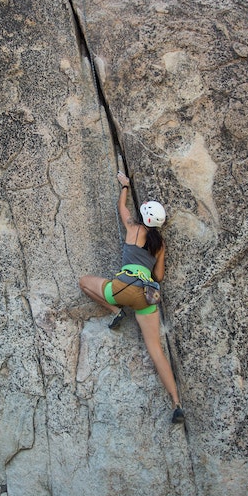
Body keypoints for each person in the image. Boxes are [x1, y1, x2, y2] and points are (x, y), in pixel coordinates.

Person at [79, 171, 185, 424]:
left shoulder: (133, 228)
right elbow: (159, 275)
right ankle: (176, 403)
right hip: (147, 297)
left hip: (122, 287)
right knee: (156, 349)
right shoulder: (160, 244)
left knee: (84, 282)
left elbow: (121, 207)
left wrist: (125, 186)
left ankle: (116, 312)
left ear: (144, 216)